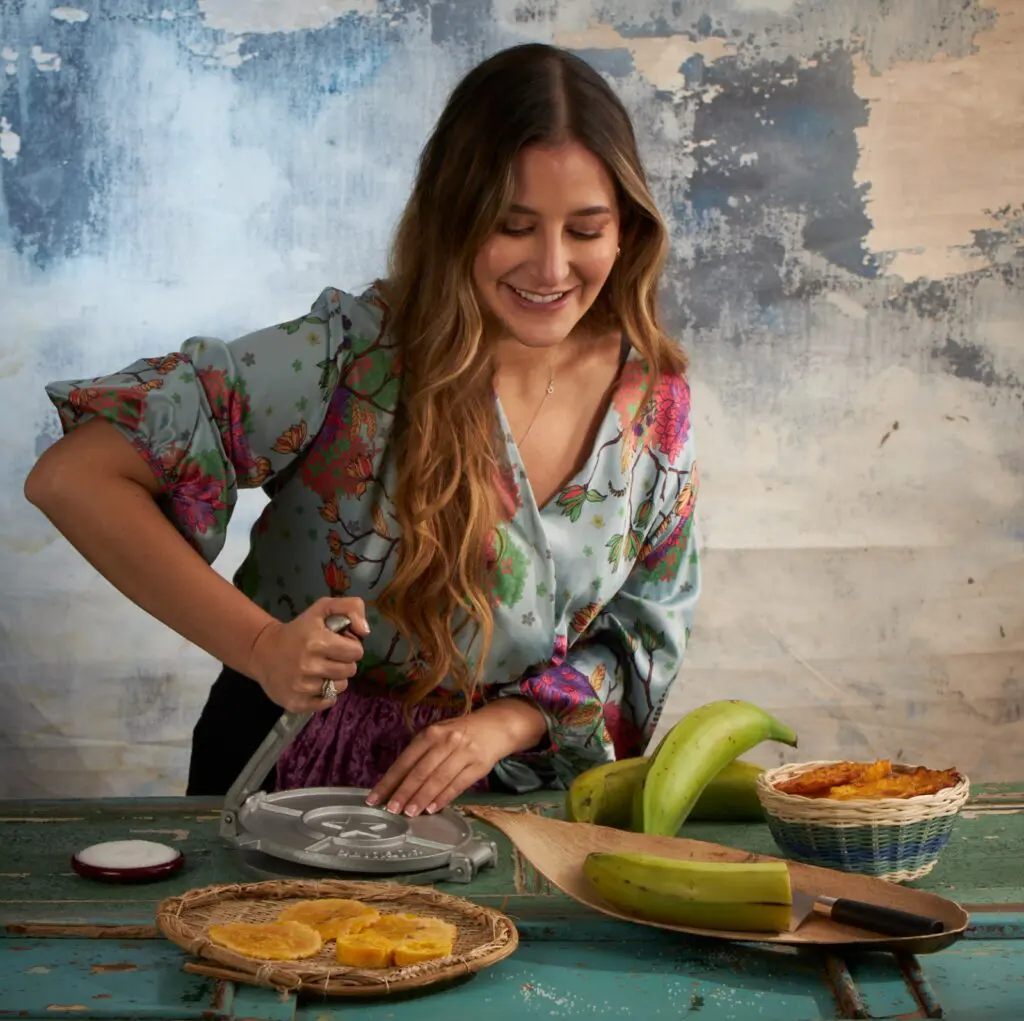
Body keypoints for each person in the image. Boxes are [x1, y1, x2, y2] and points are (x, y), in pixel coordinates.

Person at [24, 43, 701, 819]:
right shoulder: (349, 358)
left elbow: (646, 627)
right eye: (513, 226)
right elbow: (73, 477)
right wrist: (258, 648)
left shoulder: (654, 404)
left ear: (627, 232)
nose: (551, 268)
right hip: (287, 780)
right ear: (453, 217)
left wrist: (503, 725)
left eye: (586, 230)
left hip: (516, 804)